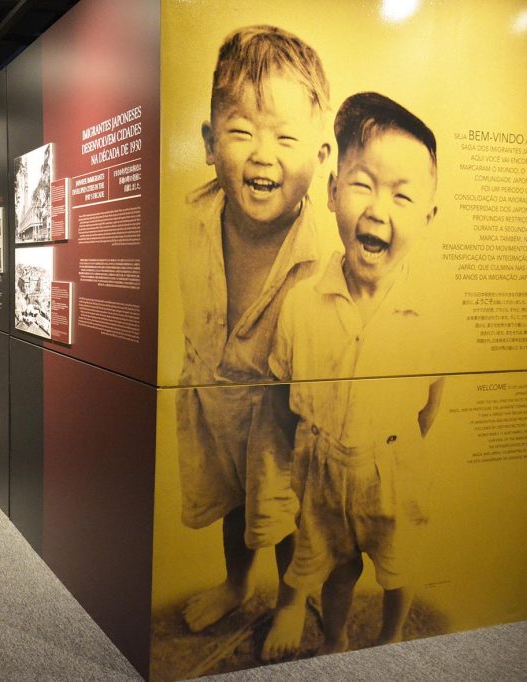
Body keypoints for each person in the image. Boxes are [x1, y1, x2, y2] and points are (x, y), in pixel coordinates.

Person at [265, 91, 444, 657]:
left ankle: (391, 641)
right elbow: (280, 393)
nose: (378, 209)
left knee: (399, 566)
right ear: (332, 190)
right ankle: (335, 636)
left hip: (393, 465)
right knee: (331, 566)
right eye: (363, 184)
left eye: (403, 195)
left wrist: (398, 445)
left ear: (428, 215)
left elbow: (431, 402)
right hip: (320, 467)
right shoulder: (299, 303)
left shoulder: (430, 316)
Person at [175, 24, 331, 655]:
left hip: (285, 412)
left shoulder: (324, 257)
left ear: (322, 157)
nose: (262, 154)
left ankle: (292, 603)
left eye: (286, 137)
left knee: (291, 512)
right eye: (241, 132)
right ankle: (237, 586)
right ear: (211, 144)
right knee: (236, 508)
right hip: (215, 398)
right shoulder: (192, 218)